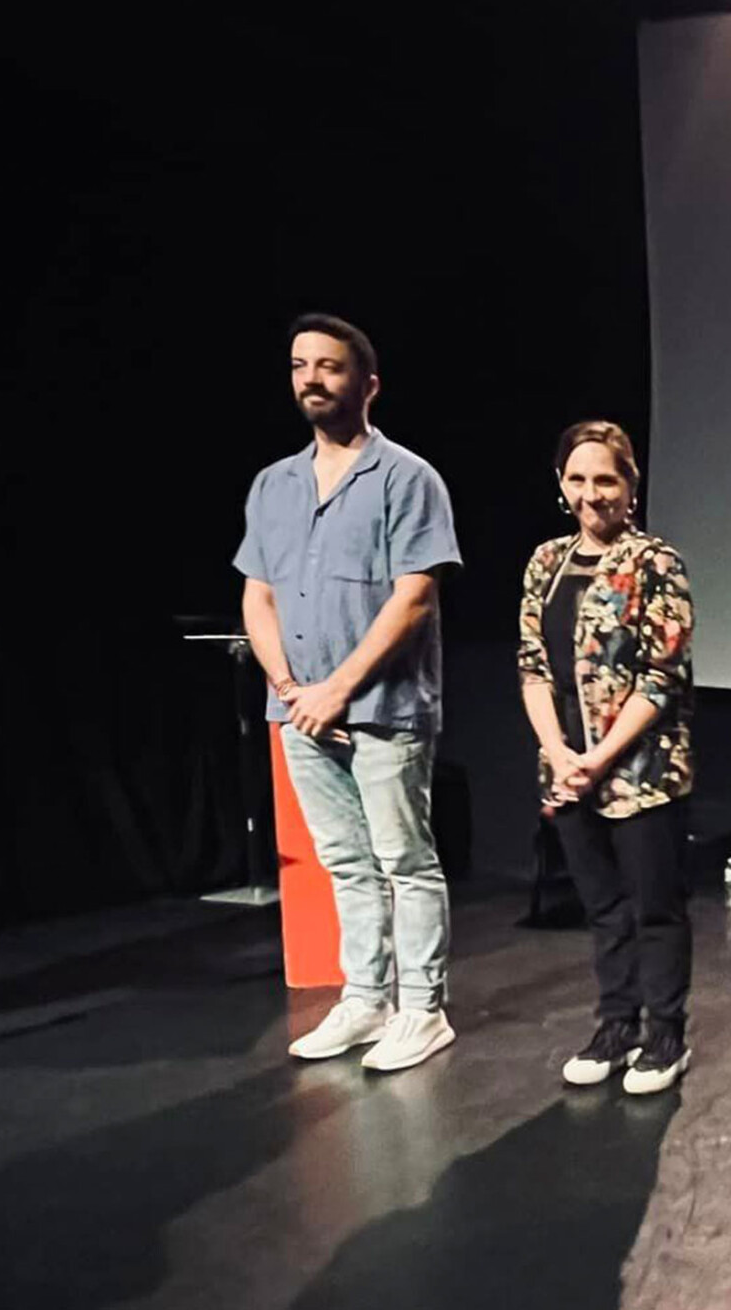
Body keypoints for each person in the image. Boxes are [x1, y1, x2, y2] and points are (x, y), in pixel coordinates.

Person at [238, 313, 463, 1073]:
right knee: (345, 862)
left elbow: (414, 598)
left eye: (328, 367)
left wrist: (336, 688)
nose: (311, 378)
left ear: (366, 385)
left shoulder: (407, 477)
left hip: (382, 709)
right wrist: (291, 688)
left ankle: (422, 1009)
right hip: (300, 710)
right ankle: (365, 997)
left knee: (405, 859)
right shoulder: (273, 485)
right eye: (300, 365)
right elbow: (257, 596)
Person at [517, 421, 699, 1095]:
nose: (592, 495)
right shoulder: (545, 562)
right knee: (604, 909)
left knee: (655, 906)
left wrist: (602, 755)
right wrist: (559, 753)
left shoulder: (656, 563)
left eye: (606, 479)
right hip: (568, 771)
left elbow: (660, 676)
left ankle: (665, 1033)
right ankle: (616, 1023)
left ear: (630, 485)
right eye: (578, 479)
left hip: (643, 773)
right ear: (562, 485)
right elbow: (533, 666)